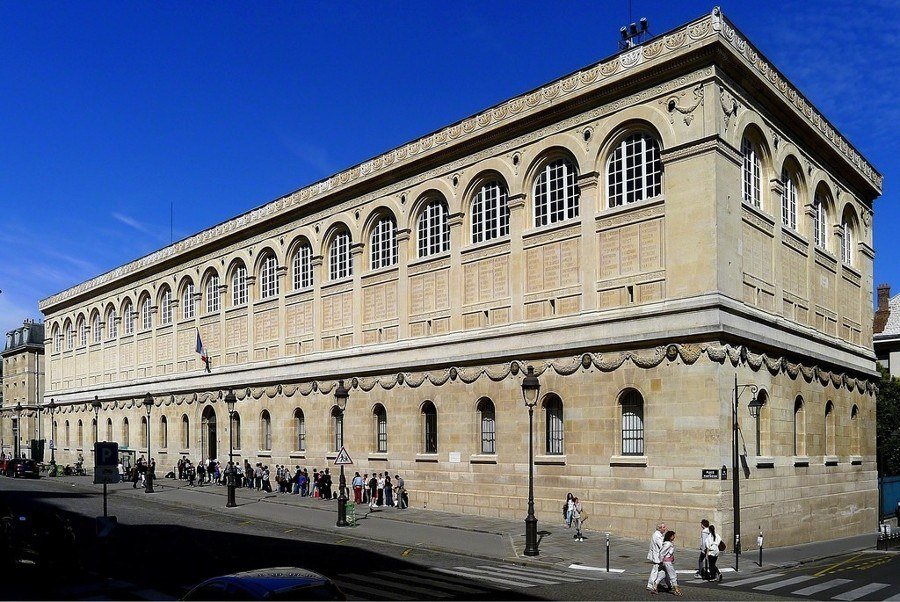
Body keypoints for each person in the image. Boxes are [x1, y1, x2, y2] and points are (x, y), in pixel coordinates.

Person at [652, 530, 682, 596]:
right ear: (670, 536)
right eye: (673, 535)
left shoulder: (668, 543)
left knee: (663, 573)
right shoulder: (668, 544)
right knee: (673, 574)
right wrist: (661, 560)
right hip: (667, 562)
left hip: (666, 561)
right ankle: (676, 589)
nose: (674, 537)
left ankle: (655, 585)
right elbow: (662, 552)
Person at [647, 522, 667, 592]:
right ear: (659, 528)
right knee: (655, 570)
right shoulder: (657, 536)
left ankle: (656, 583)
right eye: (663, 527)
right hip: (657, 556)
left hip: (659, 556)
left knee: (661, 570)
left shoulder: (659, 535)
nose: (665, 528)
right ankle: (651, 584)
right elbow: (662, 546)